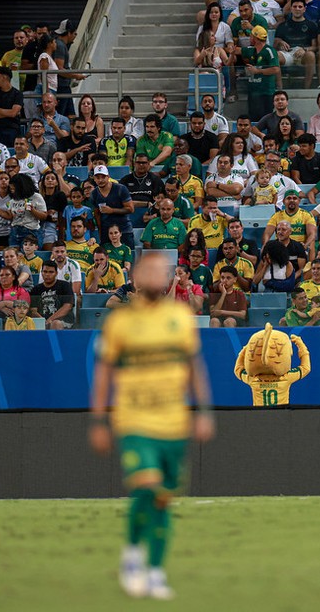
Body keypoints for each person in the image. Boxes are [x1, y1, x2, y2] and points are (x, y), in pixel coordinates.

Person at [88, 252, 214, 599]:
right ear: (138, 277)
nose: (158, 275)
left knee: (162, 499)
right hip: (135, 420)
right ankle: (132, 554)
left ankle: (156, 571)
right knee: (146, 486)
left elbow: (194, 367)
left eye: (164, 270)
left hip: (174, 423)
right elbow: (103, 375)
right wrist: (98, 420)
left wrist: (203, 411)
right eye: (151, 269)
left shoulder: (180, 317)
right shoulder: (120, 323)